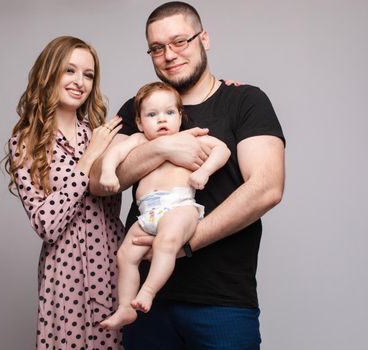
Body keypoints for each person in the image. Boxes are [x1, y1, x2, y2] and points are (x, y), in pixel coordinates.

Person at [89, 2, 286, 349]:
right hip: (144, 304)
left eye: (180, 41)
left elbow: (267, 187)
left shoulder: (245, 101)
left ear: (204, 39)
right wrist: (163, 149)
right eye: (157, 48)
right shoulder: (140, 107)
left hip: (222, 301)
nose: (169, 55)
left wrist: (185, 244)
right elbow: (98, 180)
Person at [5, 36, 124, 350]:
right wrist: (87, 160)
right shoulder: (25, 143)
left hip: (113, 269)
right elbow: (46, 223)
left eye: (88, 74)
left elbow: (159, 118)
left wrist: (218, 86)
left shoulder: (101, 133)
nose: (79, 81)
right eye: (69, 70)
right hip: (65, 277)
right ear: (49, 74)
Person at [99, 82, 230, 330]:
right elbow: (113, 155)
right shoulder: (139, 140)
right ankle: (126, 307)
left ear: (180, 116)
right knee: (124, 255)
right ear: (139, 123)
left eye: (169, 113)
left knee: (165, 242)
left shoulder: (191, 137)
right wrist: (107, 172)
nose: (162, 120)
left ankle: (148, 290)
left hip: (180, 207)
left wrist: (204, 171)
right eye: (152, 115)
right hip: (147, 214)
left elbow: (222, 150)